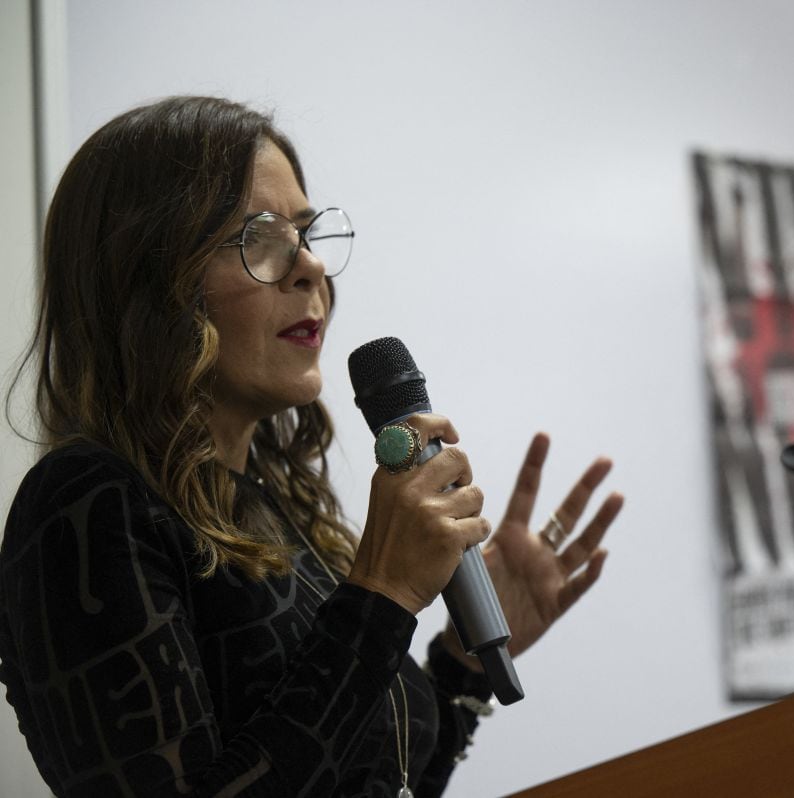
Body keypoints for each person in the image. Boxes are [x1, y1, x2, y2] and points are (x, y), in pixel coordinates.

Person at [0, 95, 624, 797]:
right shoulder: (86, 505)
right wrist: (382, 594)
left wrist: (462, 660)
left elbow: (371, 778)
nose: (311, 269)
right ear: (148, 278)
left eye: (305, 233)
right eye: (259, 238)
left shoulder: (274, 507)